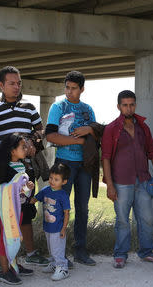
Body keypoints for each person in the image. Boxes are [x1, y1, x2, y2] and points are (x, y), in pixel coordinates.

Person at [0, 66, 48, 272]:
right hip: (2, 171)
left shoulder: (29, 108)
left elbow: (41, 131)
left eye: (19, 82)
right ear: (1, 85)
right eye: (12, 83)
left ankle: (29, 254)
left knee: (25, 211)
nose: (16, 86)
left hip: (25, 169)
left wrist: (33, 141)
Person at [102, 90, 153, 269]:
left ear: (135, 105)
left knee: (146, 218)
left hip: (143, 180)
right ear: (118, 106)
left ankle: (147, 252)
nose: (128, 108)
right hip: (121, 182)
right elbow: (105, 158)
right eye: (125, 105)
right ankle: (120, 255)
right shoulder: (111, 129)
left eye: (131, 104)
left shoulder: (143, 127)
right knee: (122, 220)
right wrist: (109, 185)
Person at [46, 70, 96, 266]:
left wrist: (90, 129)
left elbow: (96, 134)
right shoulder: (58, 106)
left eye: (73, 88)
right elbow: (50, 136)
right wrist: (80, 140)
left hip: (85, 164)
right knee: (58, 207)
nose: (69, 91)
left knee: (82, 208)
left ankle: (80, 251)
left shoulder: (88, 109)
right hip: (63, 163)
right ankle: (59, 255)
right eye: (67, 87)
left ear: (82, 89)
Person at [0, 133, 35, 285]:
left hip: (18, 208)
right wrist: (17, 187)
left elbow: (21, 188)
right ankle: (5, 271)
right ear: (12, 150)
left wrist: (28, 187)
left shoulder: (21, 165)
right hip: (7, 210)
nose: (26, 149)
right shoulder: (3, 167)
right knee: (6, 237)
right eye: (23, 147)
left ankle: (13, 265)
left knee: (15, 236)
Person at [30, 163, 71, 280]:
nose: (52, 181)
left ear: (64, 182)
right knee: (51, 248)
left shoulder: (63, 195)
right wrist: (25, 193)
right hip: (48, 226)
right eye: (51, 178)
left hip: (58, 228)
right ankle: (54, 264)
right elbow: (34, 199)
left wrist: (64, 228)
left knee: (57, 248)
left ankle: (63, 268)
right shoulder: (45, 190)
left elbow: (66, 213)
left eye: (56, 179)